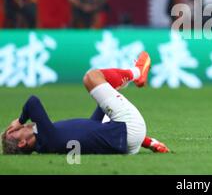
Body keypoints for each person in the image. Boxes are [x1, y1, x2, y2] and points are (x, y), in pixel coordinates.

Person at [1, 52, 169, 155]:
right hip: (129, 127)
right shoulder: (47, 138)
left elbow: (94, 127)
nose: (17, 127)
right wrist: (20, 120)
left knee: (103, 99)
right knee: (91, 77)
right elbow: (33, 102)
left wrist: (104, 96)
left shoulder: (52, 142)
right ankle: (137, 73)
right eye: (14, 132)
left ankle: (148, 141)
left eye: (14, 127)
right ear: (22, 143)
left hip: (126, 146)